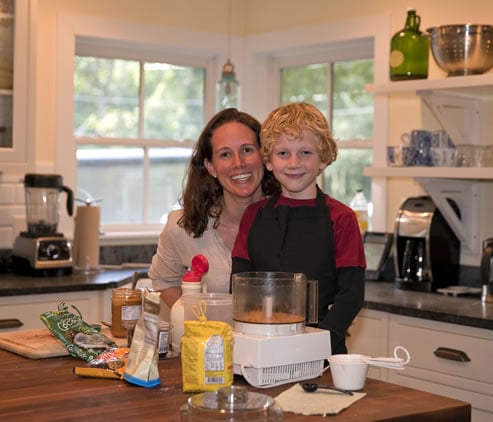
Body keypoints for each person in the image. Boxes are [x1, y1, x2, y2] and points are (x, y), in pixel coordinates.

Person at [231, 102, 366, 354]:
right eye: (283, 154)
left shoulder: (342, 218)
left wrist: (315, 343)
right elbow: (240, 289)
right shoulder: (254, 216)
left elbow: (351, 296)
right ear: (269, 161)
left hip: (323, 350)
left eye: (305, 152)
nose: (294, 163)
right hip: (262, 344)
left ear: (324, 159)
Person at [149, 108, 279, 307]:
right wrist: (197, 325)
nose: (238, 163)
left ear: (264, 156)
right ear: (211, 167)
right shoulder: (183, 227)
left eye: (247, 150)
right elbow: (164, 280)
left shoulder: (291, 220)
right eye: (225, 154)